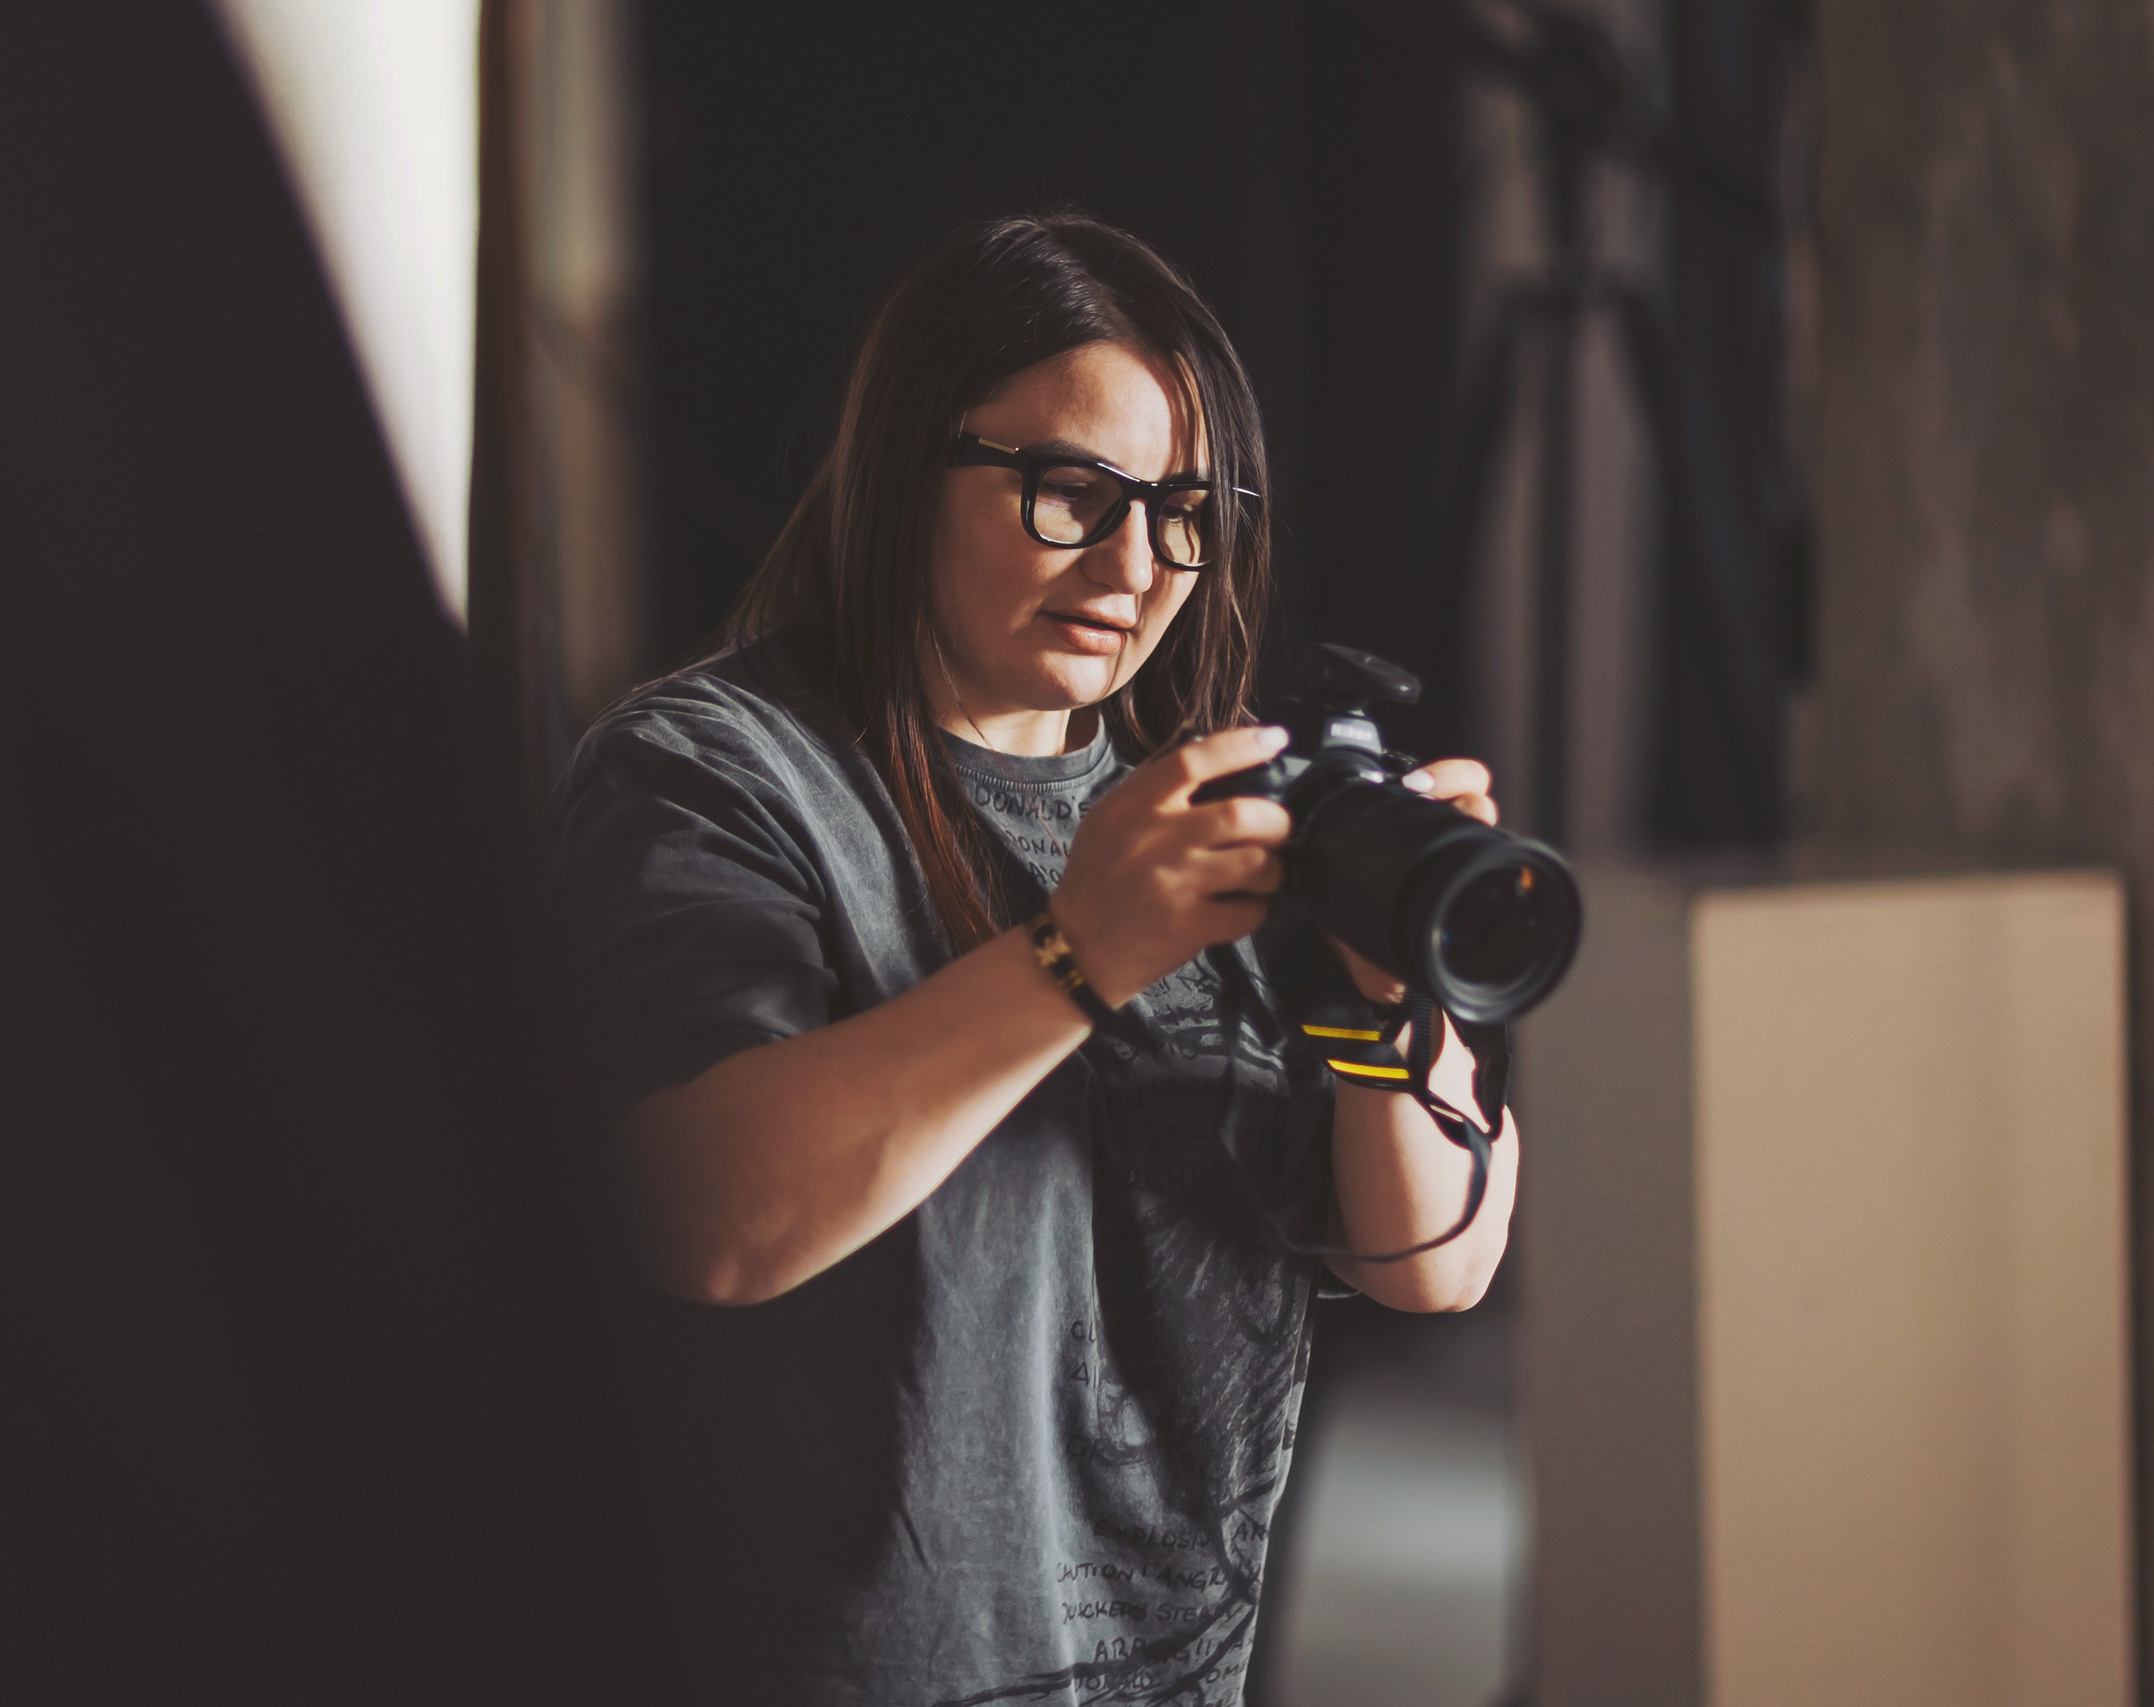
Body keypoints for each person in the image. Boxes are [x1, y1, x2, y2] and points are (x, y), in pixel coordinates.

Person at [546, 212, 1516, 1707]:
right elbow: (706, 1218)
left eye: (1188, 510)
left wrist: (1390, 1004)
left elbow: (1436, 1266)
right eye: (1075, 492)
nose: (1136, 561)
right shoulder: (714, 775)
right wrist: (1080, 954)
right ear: (902, 471)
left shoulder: (1213, 819)